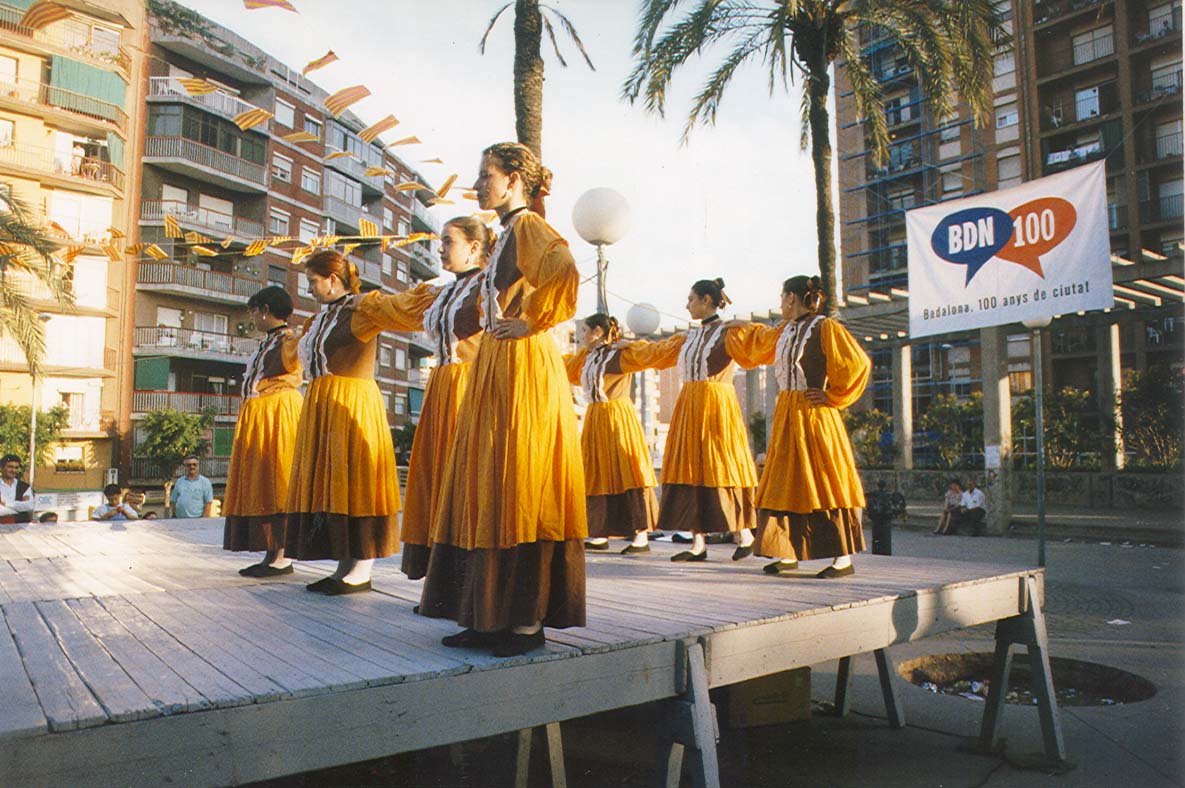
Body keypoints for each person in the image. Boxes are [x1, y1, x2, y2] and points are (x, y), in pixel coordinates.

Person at [419, 141, 586, 657]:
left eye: (486, 175)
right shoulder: (507, 233)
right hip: (496, 364)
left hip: (521, 366)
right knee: (486, 482)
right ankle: (486, 615)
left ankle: (524, 625)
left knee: (516, 482)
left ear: (514, 180)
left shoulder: (529, 226)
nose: (478, 184)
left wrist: (533, 320)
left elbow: (565, 271)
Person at [363, 215, 492, 580]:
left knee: (465, 481)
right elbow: (399, 309)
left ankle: (471, 579)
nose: (440, 249)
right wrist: (358, 303)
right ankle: (444, 580)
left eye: (448, 242)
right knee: (438, 480)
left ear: (474, 247)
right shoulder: (443, 291)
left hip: (473, 388)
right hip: (442, 389)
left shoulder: (489, 288)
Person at [284, 250, 404, 595]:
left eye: (312, 282)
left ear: (332, 280)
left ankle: (361, 568)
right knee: (333, 482)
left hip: (352, 401)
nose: (309, 289)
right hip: (324, 403)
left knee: (355, 480)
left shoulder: (362, 309)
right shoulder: (323, 317)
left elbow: (401, 310)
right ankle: (343, 565)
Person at [734, 275, 870, 578]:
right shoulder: (784, 331)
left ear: (792, 298)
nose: (780, 302)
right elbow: (755, 345)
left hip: (814, 414)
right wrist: (734, 329)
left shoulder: (825, 327)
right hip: (787, 415)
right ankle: (786, 551)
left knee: (824, 479)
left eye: (782, 297)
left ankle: (842, 558)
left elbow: (857, 363)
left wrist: (833, 395)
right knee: (786, 480)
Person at [616, 278, 761, 561]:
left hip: (717, 406)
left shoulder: (727, 333)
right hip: (689, 407)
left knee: (722, 466)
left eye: (692, 299)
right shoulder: (688, 337)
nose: (687, 305)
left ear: (707, 300)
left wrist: (750, 327)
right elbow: (655, 353)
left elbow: (756, 349)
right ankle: (698, 544)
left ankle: (745, 535)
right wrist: (629, 347)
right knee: (690, 468)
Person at [223, 286, 303, 578]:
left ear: (266, 310)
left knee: (277, 479)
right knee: (263, 481)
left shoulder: (289, 339)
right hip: (262, 412)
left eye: (255, 311)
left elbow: (294, 366)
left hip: (278, 412)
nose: (253, 317)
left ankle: (281, 556)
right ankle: (272, 552)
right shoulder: (270, 341)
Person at [563, 313, 658, 554]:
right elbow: (564, 368)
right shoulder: (587, 357)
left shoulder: (618, 354)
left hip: (617, 416)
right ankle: (599, 531)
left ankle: (640, 535)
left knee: (628, 470)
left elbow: (650, 354)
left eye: (585, 330)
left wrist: (631, 344)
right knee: (596, 471)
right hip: (595, 417)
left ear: (597, 332)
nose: (582, 335)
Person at [0, 454, 33, 524]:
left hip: (20, 527)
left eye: (16, 467)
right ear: (2, 467)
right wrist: (20, 507)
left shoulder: (24, 487)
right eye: (10, 467)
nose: (13, 470)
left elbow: (29, 506)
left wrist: (6, 504)